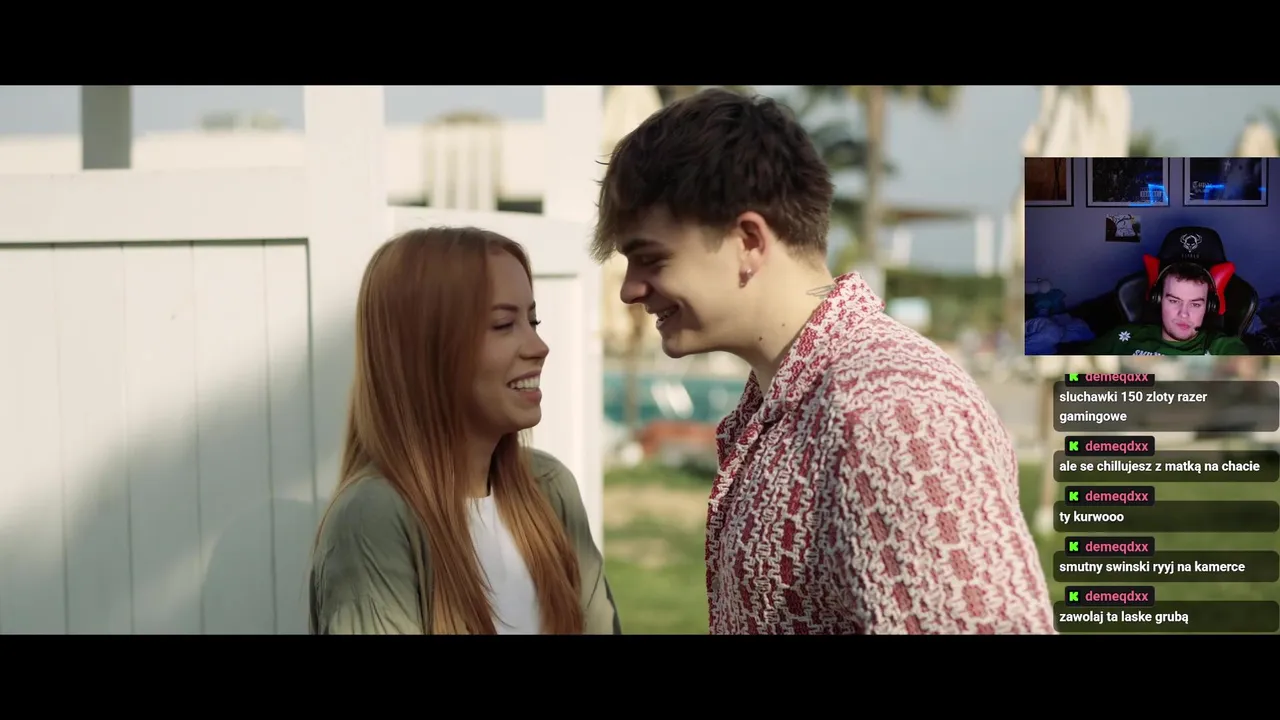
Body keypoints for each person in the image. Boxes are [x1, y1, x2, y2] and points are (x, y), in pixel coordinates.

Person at [592, 88, 1054, 634]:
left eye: (651, 258)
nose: (629, 289)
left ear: (748, 241)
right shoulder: (799, 397)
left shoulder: (890, 410)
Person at [310, 227, 621, 635]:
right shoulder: (374, 517)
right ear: (426, 349)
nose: (539, 346)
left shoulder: (550, 488)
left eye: (532, 320)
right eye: (503, 324)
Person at [1083, 261, 1250, 356]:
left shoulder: (1222, 348)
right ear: (1158, 300)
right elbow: (1071, 378)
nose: (1184, 314)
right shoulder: (1121, 337)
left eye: (1195, 304)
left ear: (1209, 306)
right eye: (1174, 301)